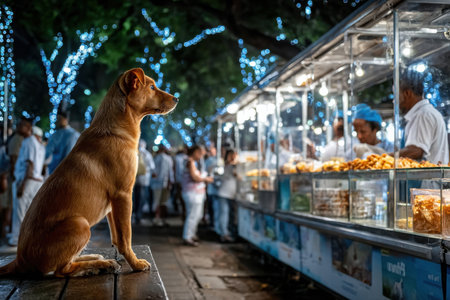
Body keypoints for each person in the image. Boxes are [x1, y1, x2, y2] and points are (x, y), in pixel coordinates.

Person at [396, 66, 449, 164]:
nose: (394, 101)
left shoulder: (423, 115)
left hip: (429, 179)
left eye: (396, 96)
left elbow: (416, 150)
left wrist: (385, 157)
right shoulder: (425, 112)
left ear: (407, 93)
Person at [9, 126, 45, 247]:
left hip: (27, 180)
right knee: (30, 212)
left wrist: (22, 185)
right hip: (36, 181)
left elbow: (30, 163)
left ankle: (16, 239)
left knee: (20, 211)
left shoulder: (29, 141)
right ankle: (28, 238)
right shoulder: (41, 146)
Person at [182, 145, 213, 246]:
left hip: (196, 193)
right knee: (192, 215)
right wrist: (206, 179)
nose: (201, 155)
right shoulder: (190, 161)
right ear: (194, 152)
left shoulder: (194, 162)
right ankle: (187, 236)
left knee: (197, 215)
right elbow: (195, 177)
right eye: (200, 153)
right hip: (191, 193)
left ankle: (191, 234)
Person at [214, 149, 238, 242]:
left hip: (229, 194)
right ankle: (224, 234)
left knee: (226, 214)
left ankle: (224, 233)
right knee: (224, 214)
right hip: (225, 193)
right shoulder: (230, 166)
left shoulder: (228, 166)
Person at [133, 139, 155, 225]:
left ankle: (135, 215)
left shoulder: (133, 152)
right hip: (144, 179)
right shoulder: (147, 154)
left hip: (134, 179)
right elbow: (152, 166)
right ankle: (138, 215)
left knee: (135, 198)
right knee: (142, 198)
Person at [151, 146, 174, 226]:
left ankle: (158, 218)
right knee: (162, 202)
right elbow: (169, 172)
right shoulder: (167, 158)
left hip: (159, 183)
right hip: (164, 183)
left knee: (158, 201)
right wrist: (170, 181)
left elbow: (160, 172)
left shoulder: (157, 158)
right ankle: (159, 219)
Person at [173, 147, 187, 219]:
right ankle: (184, 211)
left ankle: (183, 211)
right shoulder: (187, 158)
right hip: (186, 180)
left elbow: (174, 169)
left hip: (179, 180)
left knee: (180, 195)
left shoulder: (176, 158)